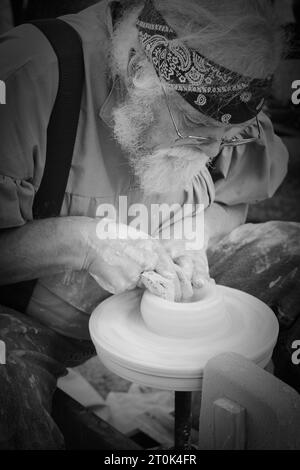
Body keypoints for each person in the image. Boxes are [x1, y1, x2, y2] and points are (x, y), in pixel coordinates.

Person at [0, 0, 299, 449]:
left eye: (226, 137)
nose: (210, 152)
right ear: (139, 68)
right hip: (34, 324)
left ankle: (214, 422)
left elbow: (241, 202)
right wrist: (84, 243)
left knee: (291, 250)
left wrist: (193, 231)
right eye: (197, 127)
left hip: (160, 312)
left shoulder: (223, 110)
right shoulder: (28, 72)